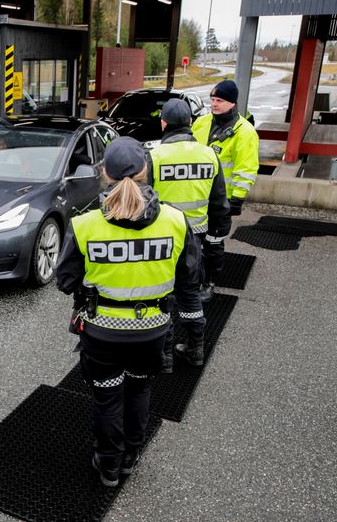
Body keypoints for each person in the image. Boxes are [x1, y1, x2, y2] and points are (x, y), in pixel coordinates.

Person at [56, 137, 204, 487]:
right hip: (153, 330)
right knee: (139, 392)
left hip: (101, 332)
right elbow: (190, 277)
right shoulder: (175, 221)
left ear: (104, 174)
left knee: (108, 398)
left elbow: (65, 280)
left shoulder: (85, 225)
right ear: (146, 172)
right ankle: (130, 457)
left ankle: (108, 466)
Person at [149, 99, 230, 371]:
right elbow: (219, 200)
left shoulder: (155, 157)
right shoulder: (209, 155)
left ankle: (165, 355)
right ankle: (196, 349)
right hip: (195, 237)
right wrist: (218, 231)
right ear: (191, 123)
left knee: (163, 296)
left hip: (163, 238)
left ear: (163, 123)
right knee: (190, 293)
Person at [192, 80, 259, 301]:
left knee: (213, 243)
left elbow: (246, 169)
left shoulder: (244, 132)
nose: (214, 104)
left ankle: (209, 282)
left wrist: (236, 200)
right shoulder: (201, 123)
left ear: (232, 102)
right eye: (212, 100)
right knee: (192, 242)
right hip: (195, 197)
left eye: (219, 100)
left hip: (220, 201)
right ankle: (191, 278)